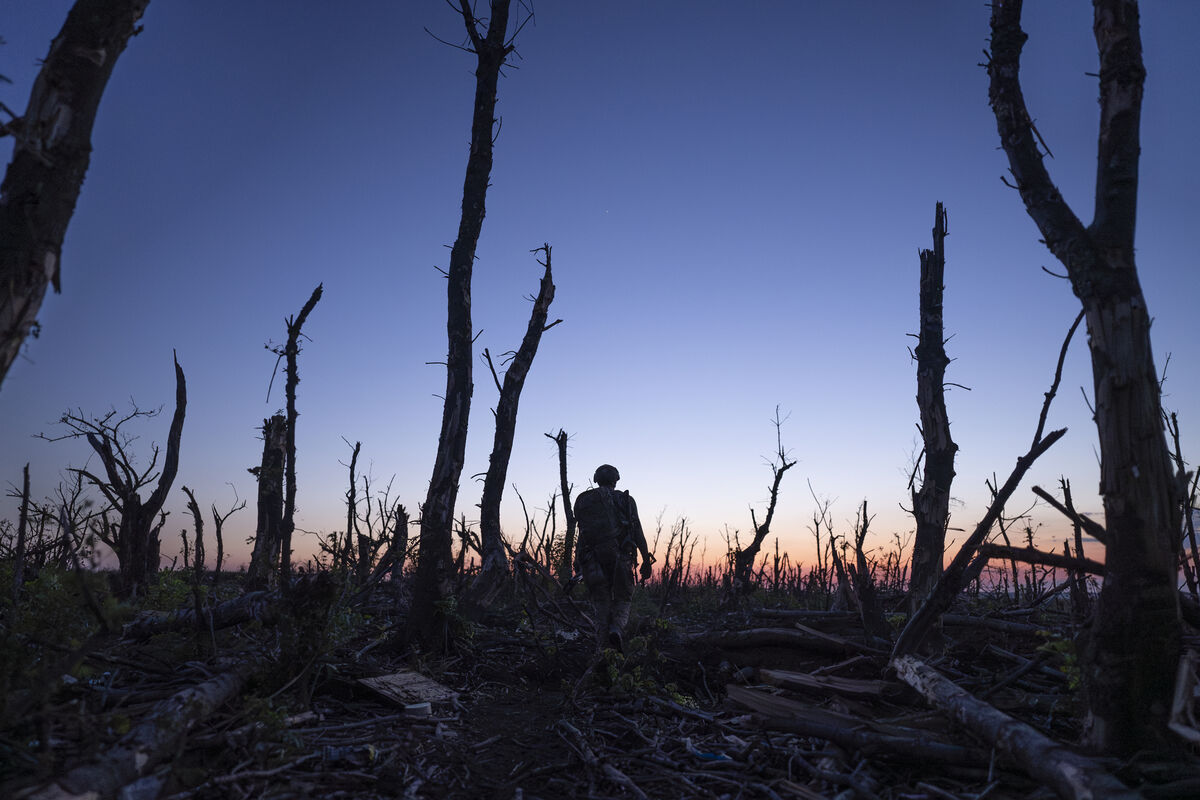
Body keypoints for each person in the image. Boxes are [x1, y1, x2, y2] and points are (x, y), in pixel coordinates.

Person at [572, 464, 654, 651]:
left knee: (601, 601)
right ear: (616, 480)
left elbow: (582, 534)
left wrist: (577, 560)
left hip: (592, 559)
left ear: (596, 479)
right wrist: (646, 560)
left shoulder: (584, 500)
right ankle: (616, 629)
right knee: (624, 598)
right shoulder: (625, 500)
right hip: (620, 558)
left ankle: (602, 647)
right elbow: (637, 531)